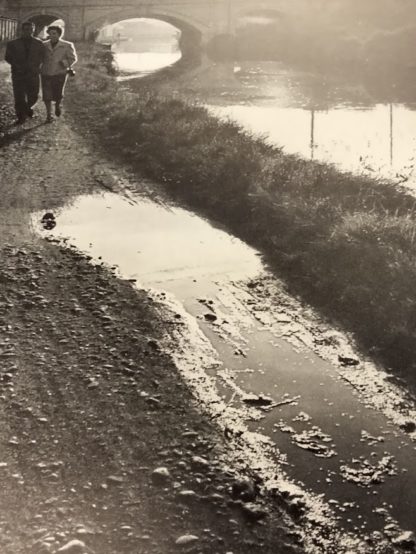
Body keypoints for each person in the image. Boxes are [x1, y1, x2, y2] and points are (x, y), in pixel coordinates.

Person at [4, 21, 45, 124]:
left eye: (30, 29)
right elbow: (8, 57)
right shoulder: (12, 44)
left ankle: (28, 108)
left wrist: (36, 67)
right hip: (18, 74)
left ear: (33, 30)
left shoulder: (39, 43)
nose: (28, 31)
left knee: (34, 95)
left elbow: (43, 57)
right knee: (19, 96)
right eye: (26, 29)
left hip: (33, 73)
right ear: (22, 30)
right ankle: (20, 117)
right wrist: (17, 66)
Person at [41, 25, 77, 123]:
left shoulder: (67, 45)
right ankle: (49, 115)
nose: (52, 35)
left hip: (59, 73)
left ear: (59, 34)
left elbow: (73, 58)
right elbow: (39, 57)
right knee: (46, 95)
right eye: (50, 33)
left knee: (58, 93)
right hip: (46, 72)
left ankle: (57, 105)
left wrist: (64, 63)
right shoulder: (44, 45)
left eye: (54, 33)